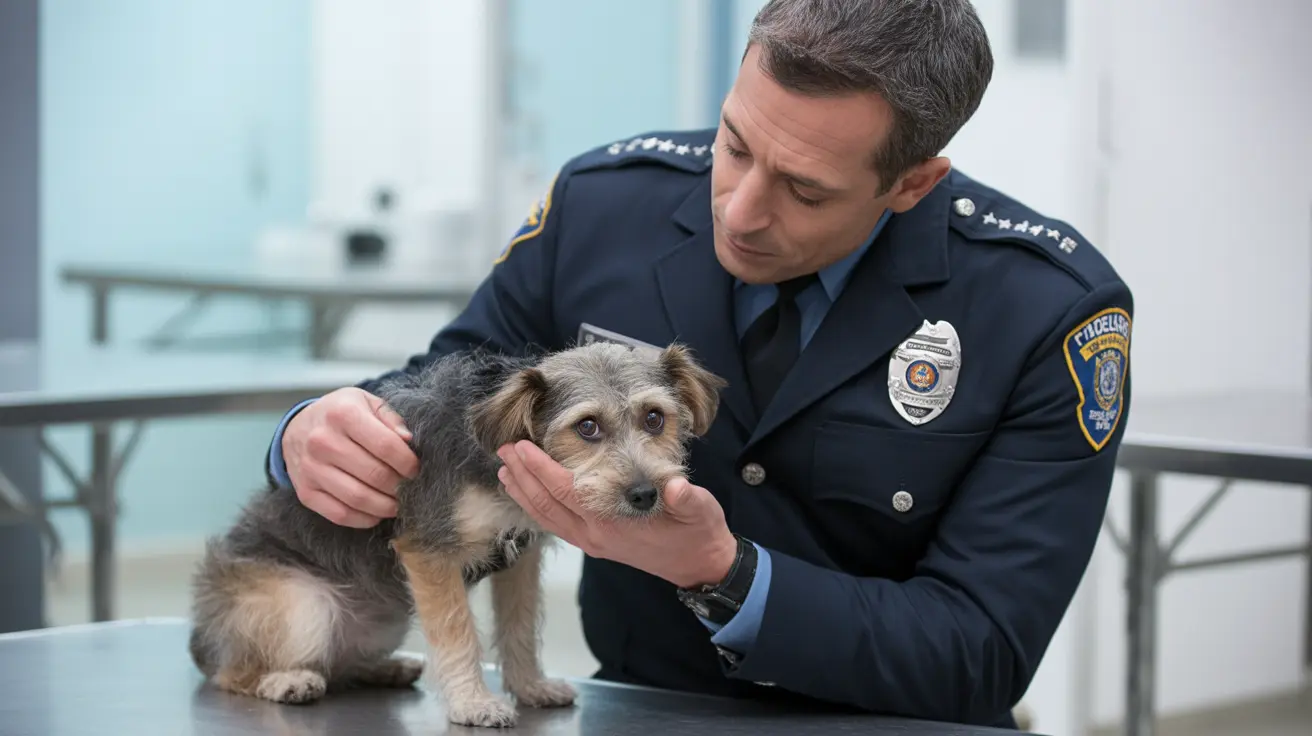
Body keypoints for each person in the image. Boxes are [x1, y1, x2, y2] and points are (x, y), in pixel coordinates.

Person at [265, 0, 1133, 729]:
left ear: (913, 183)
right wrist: (310, 433)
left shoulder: (1045, 312)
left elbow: (980, 652)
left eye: (805, 189)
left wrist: (727, 575)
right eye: (736, 144)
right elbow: (446, 385)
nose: (741, 212)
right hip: (639, 708)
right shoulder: (604, 207)